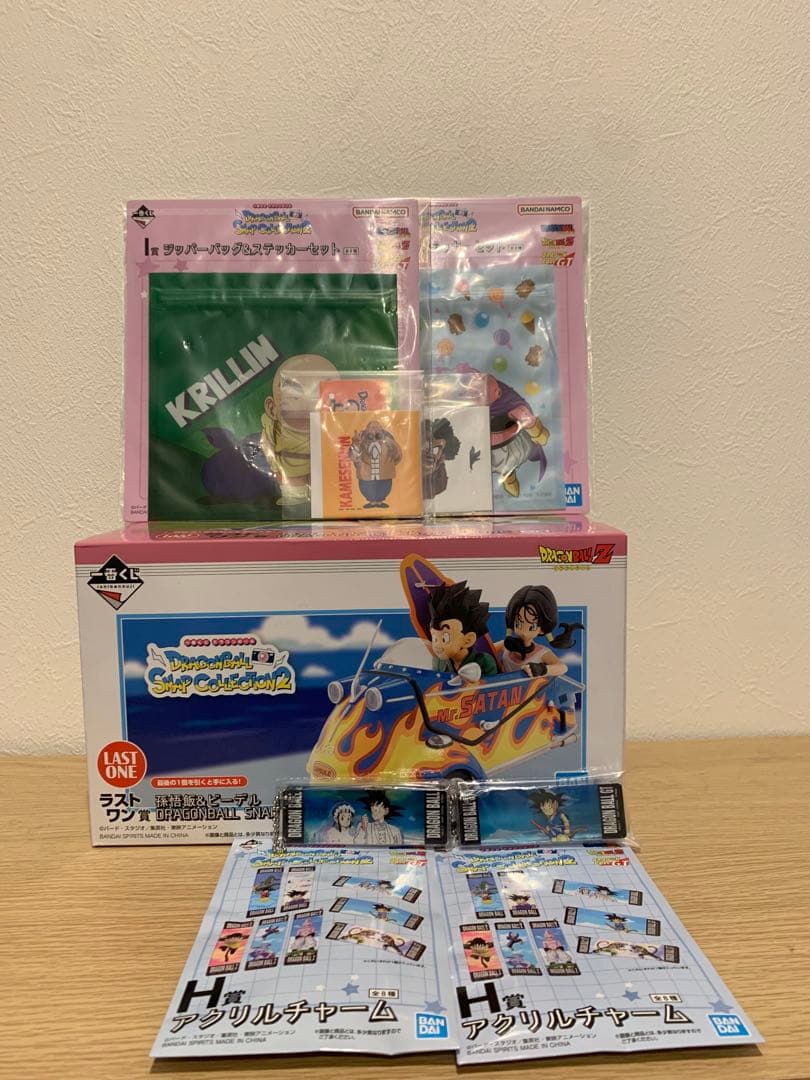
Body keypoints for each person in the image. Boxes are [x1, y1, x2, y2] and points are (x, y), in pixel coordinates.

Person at [425, 580, 498, 747]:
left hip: (475, 724)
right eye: (434, 638)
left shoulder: (484, 662)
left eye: (444, 638)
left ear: (468, 640)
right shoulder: (439, 661)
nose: (437, 645)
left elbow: (492, 698)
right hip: (444, 719)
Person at [260, 354, 337, 506]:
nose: (307, 406)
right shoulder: (273, 428)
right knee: (295, 496)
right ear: (272, 408)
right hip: (290, 471)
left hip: (327, 476)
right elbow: (267, 443)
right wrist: (274, 465)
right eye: (294, 396)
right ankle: (296, 499)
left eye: (320, 396)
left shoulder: (334, 429)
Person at [500, 585, 569, 677]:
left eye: (532, 626)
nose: (523, 632)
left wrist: (541, 669)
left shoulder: (541, 653)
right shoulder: (506, 645)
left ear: (542, 629)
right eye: (518, 623)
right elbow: (487, 648)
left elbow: (562, 667)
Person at [349, 420, 402, 508]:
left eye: (376, 427)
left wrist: (389, 465)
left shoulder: (388, 441)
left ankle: (380, 501)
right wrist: (356, 443)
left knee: (384, 486)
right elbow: (354, 456)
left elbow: (397, 455)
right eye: (371, 427)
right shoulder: (361, 442)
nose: (374, 430)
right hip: (366, 475)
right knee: (366, 487)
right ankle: (371, 501)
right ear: (366, 430)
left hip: (384, 474)